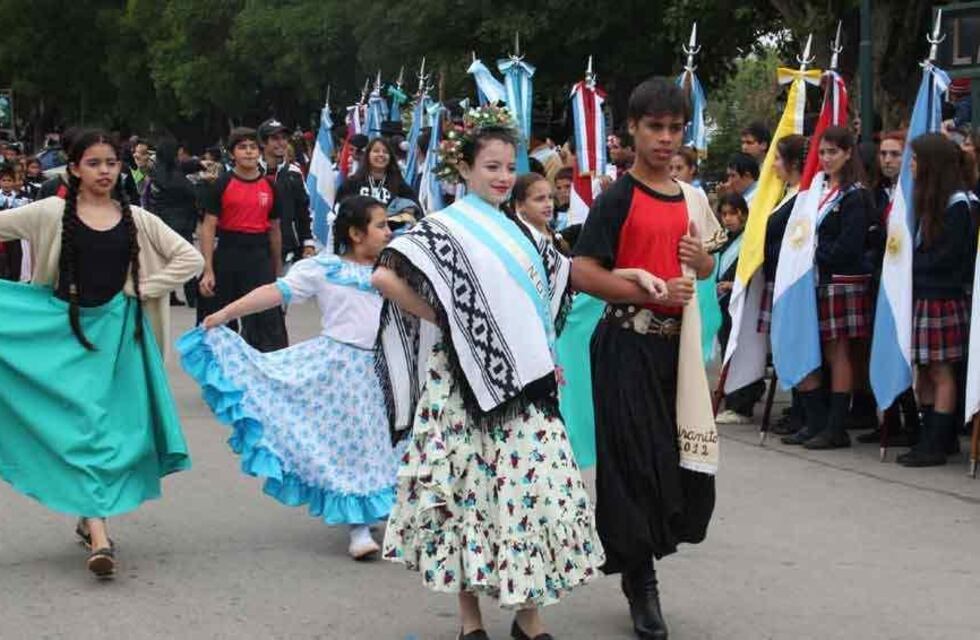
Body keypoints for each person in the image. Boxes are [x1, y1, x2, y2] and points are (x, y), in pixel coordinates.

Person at [374, 121, 606, 640]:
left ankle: (529, 618)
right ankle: (470, 621)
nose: (503, 177)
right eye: (491, 167)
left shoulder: (523, 231)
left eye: (509, 167)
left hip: (524, 386)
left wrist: (629, 279)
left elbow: (563, 277)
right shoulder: (441, 229)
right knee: (468, 497)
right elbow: (384, 276)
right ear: (465, 168)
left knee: (531, 494)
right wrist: (447, 318)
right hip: (459, 385)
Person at [0, 129, 202, 577]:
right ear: (74, 168)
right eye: (93, 163)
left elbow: (190, 259)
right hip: (59, 333)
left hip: (119, 341)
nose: (104, 171)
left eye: (110, 162)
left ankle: (89, 515)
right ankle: (99, 534)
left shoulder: (136, 218)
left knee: (103, 434)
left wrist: (142, 288)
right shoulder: (52, 212)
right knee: (85, 430)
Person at [573, 78, 725, 640]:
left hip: (676, 353)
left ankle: (647, 558)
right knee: (634, 464)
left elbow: (705, 267)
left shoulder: (694, 197)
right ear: (632, 131)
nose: (665, 139)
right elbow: (584, 271)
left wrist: (698, 262)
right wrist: (649, 290)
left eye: (674, 128)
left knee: (677, 465)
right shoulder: (618, 198)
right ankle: (642, 582)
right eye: (654, 128)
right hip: (625, 346)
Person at [179, 195, 402, 557]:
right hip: (339, 370)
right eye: (381, 225)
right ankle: (358, 526)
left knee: (384, 441)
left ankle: (384, 510)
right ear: (357, 234)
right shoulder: (326, 268)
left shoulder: (392, 270)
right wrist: (224, 314)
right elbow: (276, 291)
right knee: (352, 443)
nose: (388, 232)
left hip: (386, 370)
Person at [781, 126, 872, 450]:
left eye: (833, 151)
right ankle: (815, 421)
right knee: (811, 350)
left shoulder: (855, 194)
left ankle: (835, 426)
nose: (827, 158)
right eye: (822, 152)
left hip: (839, 282)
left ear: (848, 153)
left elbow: (849, 246)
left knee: (838, 353)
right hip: (812, 281)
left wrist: (812, 250)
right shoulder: (816, 191)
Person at [895, 133, 974, 466]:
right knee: (925, 371)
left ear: (932, 165)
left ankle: (939, 442)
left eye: (914, 160)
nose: (910, 166)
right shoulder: (931, 202)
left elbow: (951, 257)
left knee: (942, 371)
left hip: (943, 296)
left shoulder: (960, 204)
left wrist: (909, 267)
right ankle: (930, 436)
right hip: (924, 295)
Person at [198, 127, 289, 352]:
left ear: (259, 151)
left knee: (267, 318)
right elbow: (208, 227)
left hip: (259, 256)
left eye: (253, 147)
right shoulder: (221, 184)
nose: (248, 152)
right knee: (220, 319)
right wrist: (208, 268)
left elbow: (275, 229)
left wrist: (277, 269)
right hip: (228, 253)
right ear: (232, 153)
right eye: (242, 147)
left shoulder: (270, 186)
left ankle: (266, 372)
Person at [759, 134, 807, 436]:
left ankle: (804, 410)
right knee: (781, 346)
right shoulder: (784, 193)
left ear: (792, 162)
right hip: (775, 279)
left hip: (790, 281)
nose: (773, 165)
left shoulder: (803, 196)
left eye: (777, 158)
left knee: (795, 345)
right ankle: (797, 407)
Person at [144, 138, 201, 307]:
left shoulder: (158, 171)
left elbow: (187, 165)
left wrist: (199, 163)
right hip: (179, 221)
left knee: (166, 261)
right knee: (187, 258)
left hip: (162, 220)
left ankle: (170, 295)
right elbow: (191, 191)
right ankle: (193, 296)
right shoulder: (174, 176)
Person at [258, 118, 315, 267]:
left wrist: (308, 242)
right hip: (256, 249)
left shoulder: (294, 173)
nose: (281, 143)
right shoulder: (251, 172)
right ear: (263, 143)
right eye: (275, 139)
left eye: (284, 138)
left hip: (288, 249)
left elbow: (303, 211)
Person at [336, 137, 418, 207]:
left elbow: (416, 210)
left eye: (385, 152)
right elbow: (339, 211)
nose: (381, 154)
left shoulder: (400, 186)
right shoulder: (351, 184)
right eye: (376, 151)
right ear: (367, 155)